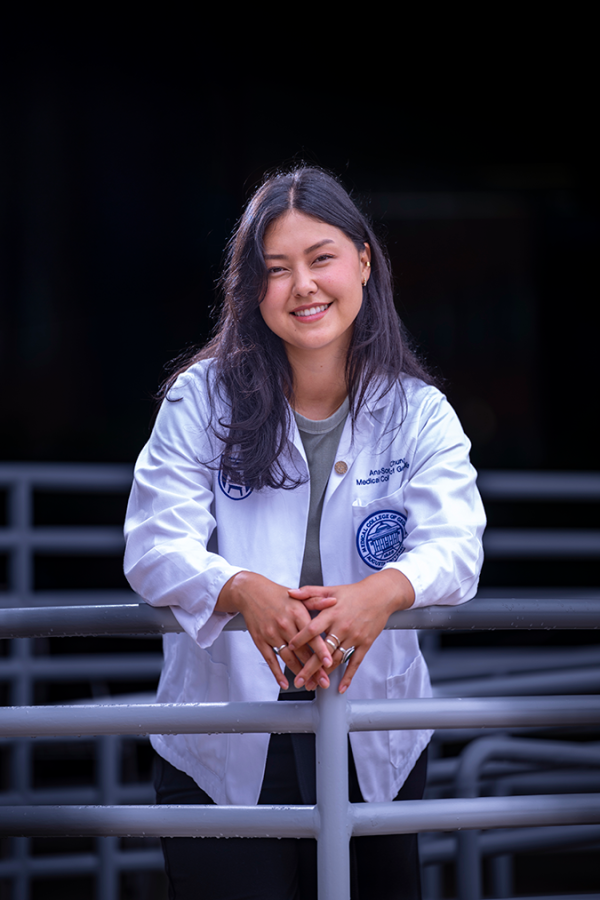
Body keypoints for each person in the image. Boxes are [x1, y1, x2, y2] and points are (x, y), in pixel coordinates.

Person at [123, 166, 486, 899]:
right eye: (276, 270)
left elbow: (458, 543)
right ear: (253, 291)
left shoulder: (419, 412)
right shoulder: (201, 399)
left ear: (362, 260)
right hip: (222, 739)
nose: (304, 287)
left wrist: (382, 593)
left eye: (321, 258)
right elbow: (154, 544)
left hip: (373, 739)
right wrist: (240, 589)